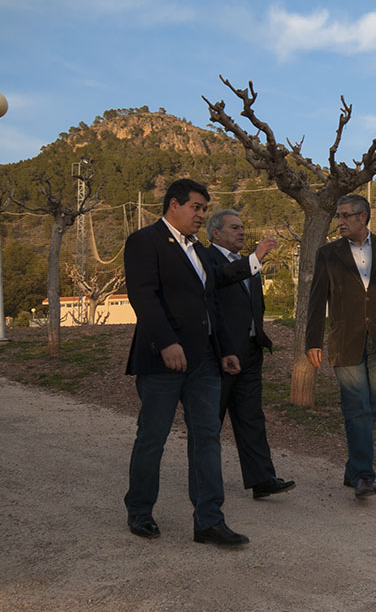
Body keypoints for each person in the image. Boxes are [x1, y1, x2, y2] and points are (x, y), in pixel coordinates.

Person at [123, 178, 251, 546]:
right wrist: (167, 343)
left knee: (207, 437)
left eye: (204, 209)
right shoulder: (145, 241)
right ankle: (140, 510)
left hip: (204, 362)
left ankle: (209, 520)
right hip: (161, 361)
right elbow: (143, 297)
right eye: (196, 207)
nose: (201, 215)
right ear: (173, 205)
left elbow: (211, 302)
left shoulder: (198, 249)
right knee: (153, 437)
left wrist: (225, 349)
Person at [305, 194, 376, 498]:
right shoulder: (328, 254)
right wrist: (313, 341)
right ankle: (363, 476)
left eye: (345, 215)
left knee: (369, 409)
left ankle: (353, 470)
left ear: (363, 217)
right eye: (338, 216)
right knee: (356, 408)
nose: (339, 221)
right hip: (345, 343)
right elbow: (316, 299)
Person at [205, 208, 295, 500]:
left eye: (243, 226)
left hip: (251, 352)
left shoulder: (249, 263)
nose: (242, 232)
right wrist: (254, 259)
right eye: (234, 227)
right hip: (220, 355)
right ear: (216, 232)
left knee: (251, 417)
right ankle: (204, 481)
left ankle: (262, 479)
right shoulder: (207, 260)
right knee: (210, 421)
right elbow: (217, 295)